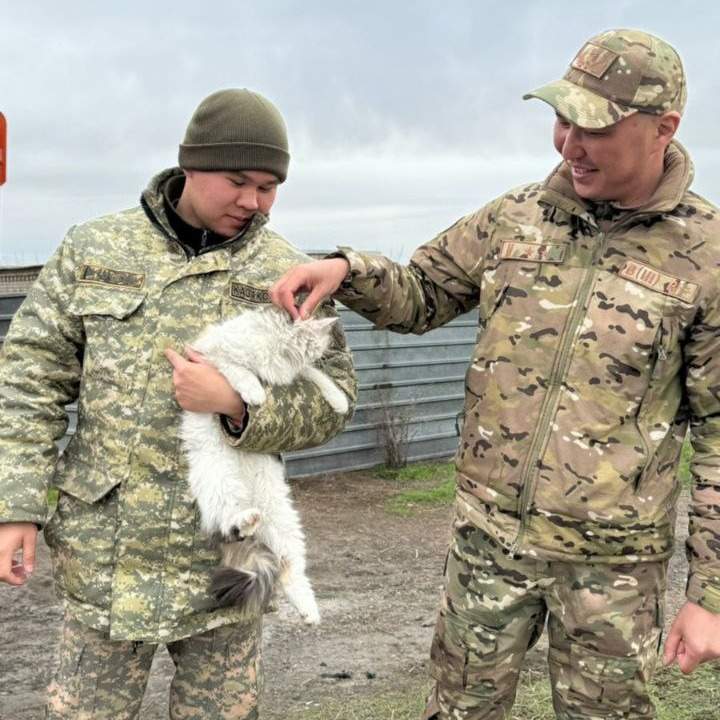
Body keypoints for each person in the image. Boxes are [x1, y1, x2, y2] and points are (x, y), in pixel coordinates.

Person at [271, 29, 720, 719]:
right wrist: (347, 270)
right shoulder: (516, 217)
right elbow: (422, 290)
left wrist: (709, 596)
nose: (568, 144)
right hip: (487, 545)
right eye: (561, 118)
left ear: (664, 129)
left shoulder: (706, 257)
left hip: (613, 570)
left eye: (593, 128)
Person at [0, 88, 356, 719]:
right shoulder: (96, 249)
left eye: (269, 186)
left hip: (225, 562)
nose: (252, 201)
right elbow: (29, 378)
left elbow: (333, 403)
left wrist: (239, 407)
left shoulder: (288, 272)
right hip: (107, 560)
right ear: (190, 164)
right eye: (237, 180)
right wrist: (15, 505)